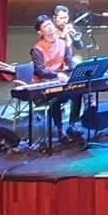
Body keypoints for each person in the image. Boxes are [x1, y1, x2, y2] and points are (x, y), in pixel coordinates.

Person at [31, 14, 83, 142]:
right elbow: (40, 71)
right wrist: (57, 75)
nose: (49, 27)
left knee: (78, 92)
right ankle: (60, 131)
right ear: (40, 32)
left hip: (61, 82)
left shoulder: (63, 44)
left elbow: (70, 64)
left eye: (50, 24)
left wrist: (76, 73)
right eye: (45, 26)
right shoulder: (37, 49)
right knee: (56, 98)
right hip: (44, 86)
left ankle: (72, 126)